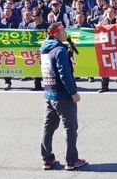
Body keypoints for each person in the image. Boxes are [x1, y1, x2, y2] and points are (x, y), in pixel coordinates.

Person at [40, 22, 87, 171]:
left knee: (48, 127)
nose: (65, 33)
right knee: (70, 127)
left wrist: (70, 53)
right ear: (55, 34)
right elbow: (64, 74)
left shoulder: (45, 48)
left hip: (49, 93)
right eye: (62, 31)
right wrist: (73, 92)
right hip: (62, 95)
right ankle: (71, 160)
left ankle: (47, 159)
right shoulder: (59, 50)